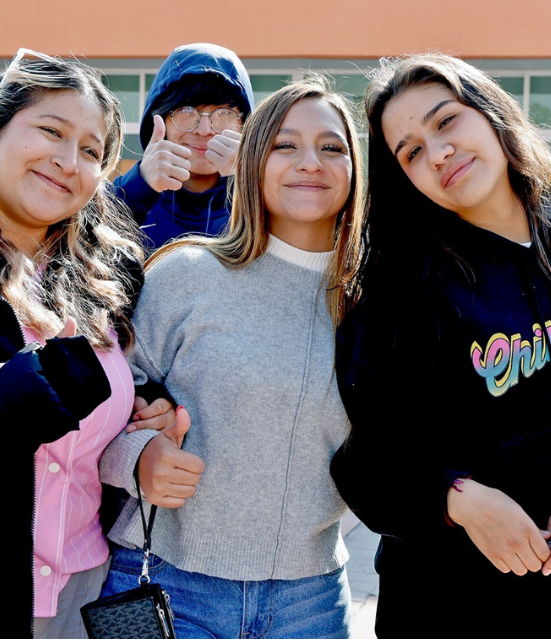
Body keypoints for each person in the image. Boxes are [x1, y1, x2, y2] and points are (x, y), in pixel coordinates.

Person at [330, 53, 551, 637]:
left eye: (446, 121)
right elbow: (368, 464)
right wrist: (459, 500)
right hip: (453, 604)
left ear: (491, 113)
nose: (438, 152)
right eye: (411, 152)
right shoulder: (395, 291)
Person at [99, 76, 368, 638]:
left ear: (355, 168)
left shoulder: (374, 306)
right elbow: (101, 414)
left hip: (311, 603)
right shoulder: (184, 274)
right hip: (165, 585)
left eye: (332, 146)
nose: (310, 162)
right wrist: (138, 457)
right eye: (285, 144)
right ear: (252, 162)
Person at [0, 49, 177, 639]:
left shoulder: (110, 279)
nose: (67, 161)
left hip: (88, 588)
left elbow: (101, 407)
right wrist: (36, 384)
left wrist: (141, 405)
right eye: (50, 131)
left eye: (90, 151)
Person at [112, 43, 255, 251]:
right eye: (187, 111)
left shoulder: (272, 204)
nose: (205, 129)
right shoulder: (117, 198)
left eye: (224, 113)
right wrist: (138, 188)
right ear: (159, 120)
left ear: (244, 126)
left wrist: (241, 190)